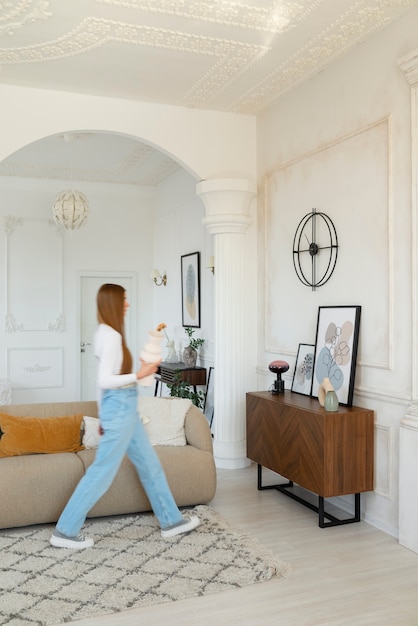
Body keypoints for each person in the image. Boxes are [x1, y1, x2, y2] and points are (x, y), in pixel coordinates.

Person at [50, 283, 200, 549]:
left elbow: (103, 384)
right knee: (102, 472)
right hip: (120, 407)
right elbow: (104, 379)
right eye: (124, 300)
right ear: (113, 304)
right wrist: (139, 375)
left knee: (149, 465)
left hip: (122, 407)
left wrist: (105, 413)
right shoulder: (110, 336)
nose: (128, 305)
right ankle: (65, 530)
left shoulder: (105, 332)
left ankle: (171, 521)